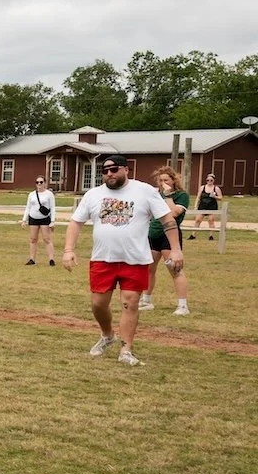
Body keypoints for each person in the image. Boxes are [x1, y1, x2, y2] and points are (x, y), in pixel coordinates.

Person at [63, 154, 182, 367]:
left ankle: (126, 349)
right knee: (98, 304)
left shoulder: (145, 191)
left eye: (114, 169)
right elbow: (75, 223)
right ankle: (107, 335)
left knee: (130, 303)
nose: (109, 173)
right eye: (105, 170)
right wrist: (68, 250)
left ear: (126, 169)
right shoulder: (93, 195)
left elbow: (167, 220)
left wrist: (176, 250)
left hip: (135, 259)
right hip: (103, 259)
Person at [140, 166, 190, 316]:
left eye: (166, 180)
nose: (163, 183)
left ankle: (182, 306)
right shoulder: (156, 195)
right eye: (161, 180)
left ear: (174, 180)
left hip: (169, 236)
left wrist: (168, 196)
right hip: (153, 234)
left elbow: (174, 213)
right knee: (149, 269)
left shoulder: (181, 195)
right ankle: (146, 301)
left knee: (175, 270)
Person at [19, 176, 56, 265]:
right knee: (33, 239)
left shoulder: (49, 194)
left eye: (41, 182)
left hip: (44, 219)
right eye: (37, 182)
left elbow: (52, 208)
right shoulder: (31, 194)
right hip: (33, 218)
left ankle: (51, 259)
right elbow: (28, 207)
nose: (39, 184)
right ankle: (32, 259)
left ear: (45, 183)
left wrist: (52, 221)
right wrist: (24, 220)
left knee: (47, 239)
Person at [190, 173, 222, 239]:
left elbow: (220, 197)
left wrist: (215, 196)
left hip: (212, 206)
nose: (209, 181)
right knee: (198, 220)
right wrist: (195, 206)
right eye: (208, 180)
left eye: (211, 180)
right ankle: (193, 235)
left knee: (211, 220)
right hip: (202, 206)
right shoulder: (202, 188)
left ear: (213, 180)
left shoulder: (216, 188)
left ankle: (211, 236)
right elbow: (198, 197)